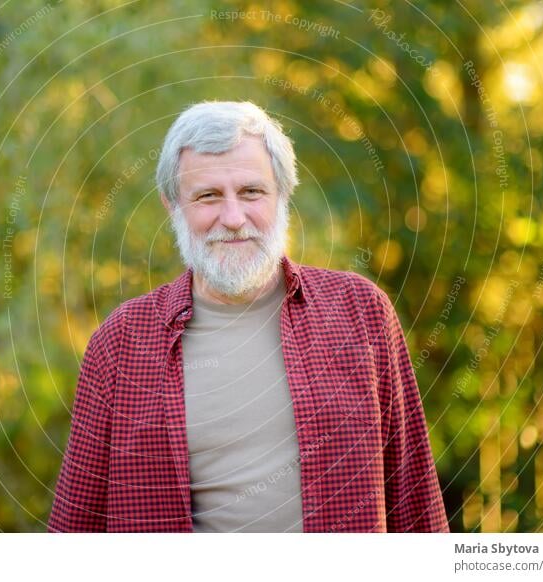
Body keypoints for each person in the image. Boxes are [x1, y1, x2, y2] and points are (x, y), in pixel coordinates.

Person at [47, 101, 449, 533]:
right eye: (207, 196)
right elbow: (76, 525)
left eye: (252, 192)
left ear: (282, 196)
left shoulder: (360, 311)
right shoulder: (122, 341)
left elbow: (415, 502)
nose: (234, 218)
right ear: (172, 205)